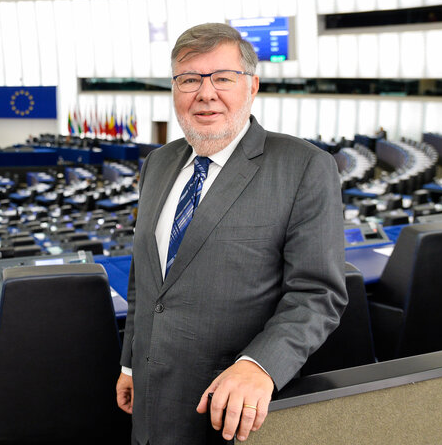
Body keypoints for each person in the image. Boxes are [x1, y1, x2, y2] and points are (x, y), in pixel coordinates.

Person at [116, 23, 347, 445]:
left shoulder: (304, 167)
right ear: (174, 89)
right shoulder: (157, 163)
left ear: (252, 85)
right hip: (149, 403)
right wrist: (131, 363)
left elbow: (318, 294)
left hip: (230, 411)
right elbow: (145, 278)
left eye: (222, 78)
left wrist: (260, 365)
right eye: (189, 79)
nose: (205, 94)